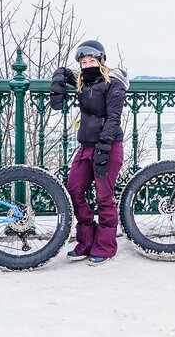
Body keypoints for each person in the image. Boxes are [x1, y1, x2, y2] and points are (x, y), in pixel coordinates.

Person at [49, 40, 129, 266]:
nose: (87, 65)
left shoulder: (113, 83)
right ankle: (86, 241)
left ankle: (105, 246)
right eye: (83, 62)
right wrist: (57, 82)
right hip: (85, 146)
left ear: (101, 60)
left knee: (104, 196)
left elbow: (114, 117)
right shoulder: (84, 80)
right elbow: (64, 72)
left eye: (91, 60)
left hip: (109, 146)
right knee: (74, 189)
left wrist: (104, 146)